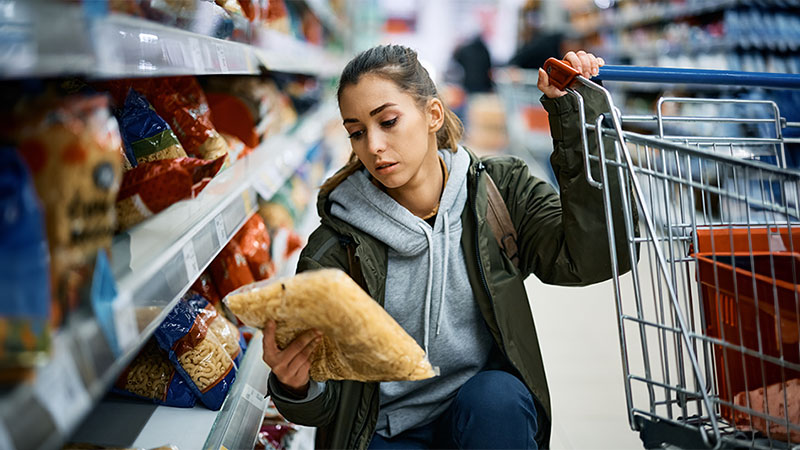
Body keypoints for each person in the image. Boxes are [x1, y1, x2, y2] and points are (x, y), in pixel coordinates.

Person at [262, 45, 633, 449]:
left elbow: (595, 257)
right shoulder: (335, 249)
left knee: (498, 400)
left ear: (432, 115)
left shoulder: (498, 193)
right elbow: (325, 407)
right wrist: (296, 386)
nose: (374, 146)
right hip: (383, 429)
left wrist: (576, 118)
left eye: (388, 121)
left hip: (477, 416)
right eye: (356, 132)